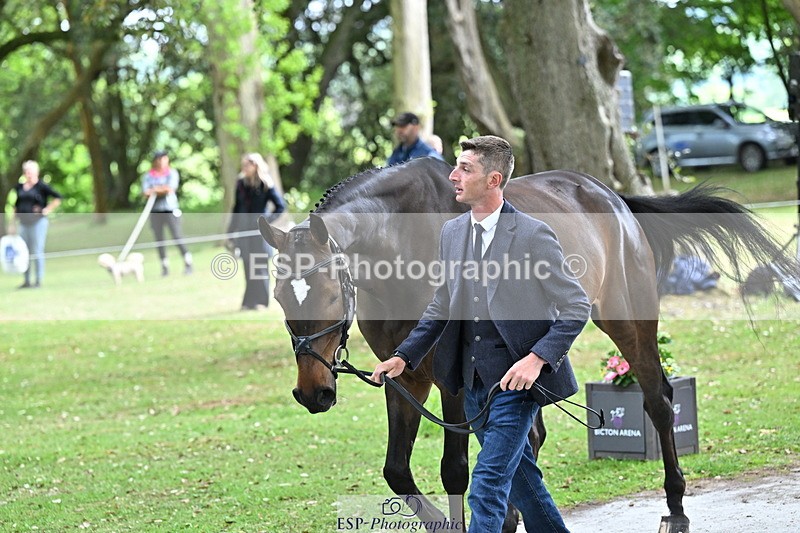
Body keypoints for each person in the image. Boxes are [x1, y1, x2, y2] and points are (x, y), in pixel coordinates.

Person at [370, 136, 590, 532]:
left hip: (516, 385)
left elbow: (576, 305)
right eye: (456, 167)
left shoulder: (531, 234)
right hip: (472, 387)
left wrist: (537, 358)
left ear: (493, 180)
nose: (453, 176)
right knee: (524, 484)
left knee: (486, 486)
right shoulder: (452, 233)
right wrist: (404, 356)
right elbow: (442, 304)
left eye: (465, 169)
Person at [227, 153, 286, 310]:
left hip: (259, 234)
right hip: (244, 231)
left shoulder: (265, 184)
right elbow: (236, 208)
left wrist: (265, 223)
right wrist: (230, 231)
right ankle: (248, 302)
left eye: (248, 164)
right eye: (243, 164)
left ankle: (261, 301)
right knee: (248, 266)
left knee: (259, 267)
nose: (244, 167)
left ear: (256, 166)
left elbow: (280, 206)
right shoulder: (240, 184)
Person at [10, 160, 62, 288]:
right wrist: (12, 223)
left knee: (37, 251)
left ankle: (38, 281)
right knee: (24, 252)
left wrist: (46, 210)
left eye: (31, 171)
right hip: (23, 223)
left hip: (38, 223)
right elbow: (15, 206)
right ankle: (26, 281)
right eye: (27, 171)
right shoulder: (19, 187)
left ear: (37, 172)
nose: (29, 174)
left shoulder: (42, 187)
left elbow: (58, 197)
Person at [142, 150, 192, 276]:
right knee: (159, 240)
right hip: (155, 211)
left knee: (177, 236)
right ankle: (164, 267)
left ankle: (188, 262)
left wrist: (155, 190)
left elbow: (169, 189)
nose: (161, 161)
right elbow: (146, 193)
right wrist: (159, 189)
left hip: (170, 210)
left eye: (164, 158)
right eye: (159, 159)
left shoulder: (172, 173)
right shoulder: (149, 176)